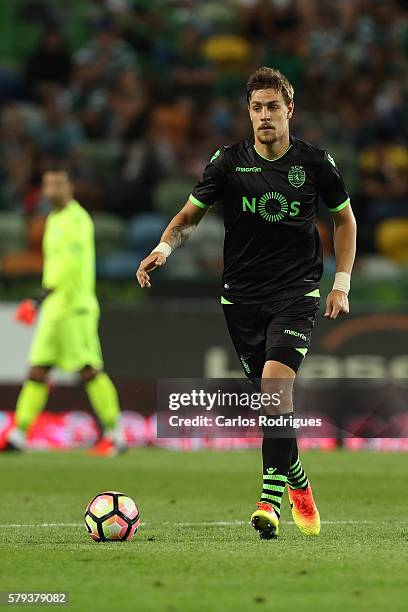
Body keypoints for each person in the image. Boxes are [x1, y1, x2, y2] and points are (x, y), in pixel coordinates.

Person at [136, 67, 356, 539]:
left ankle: (268, 501)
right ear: (248, 113)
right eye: (256, 108)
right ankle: (297, 480)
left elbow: (345, 222)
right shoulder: (228, 163)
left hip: (297, 292)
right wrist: (164, 248)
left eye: (272, 107)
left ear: (289, 110)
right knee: (271, 406)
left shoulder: (316, 163)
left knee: (277, 390)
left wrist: (342, 282)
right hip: (241, 299)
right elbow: (190, 215)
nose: (264, 116)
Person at [4, 169, 125, 456]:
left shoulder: (77, 220)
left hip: (75, 307)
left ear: (70, 186)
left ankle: (115, 434)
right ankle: (19, 434)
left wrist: (38, 298)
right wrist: (44, 301)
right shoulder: (53, 219)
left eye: (58, 183)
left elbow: (68, 269)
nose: (52, 189)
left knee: (88, 370)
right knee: (37, 370)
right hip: (54, 309)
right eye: (47, 184)